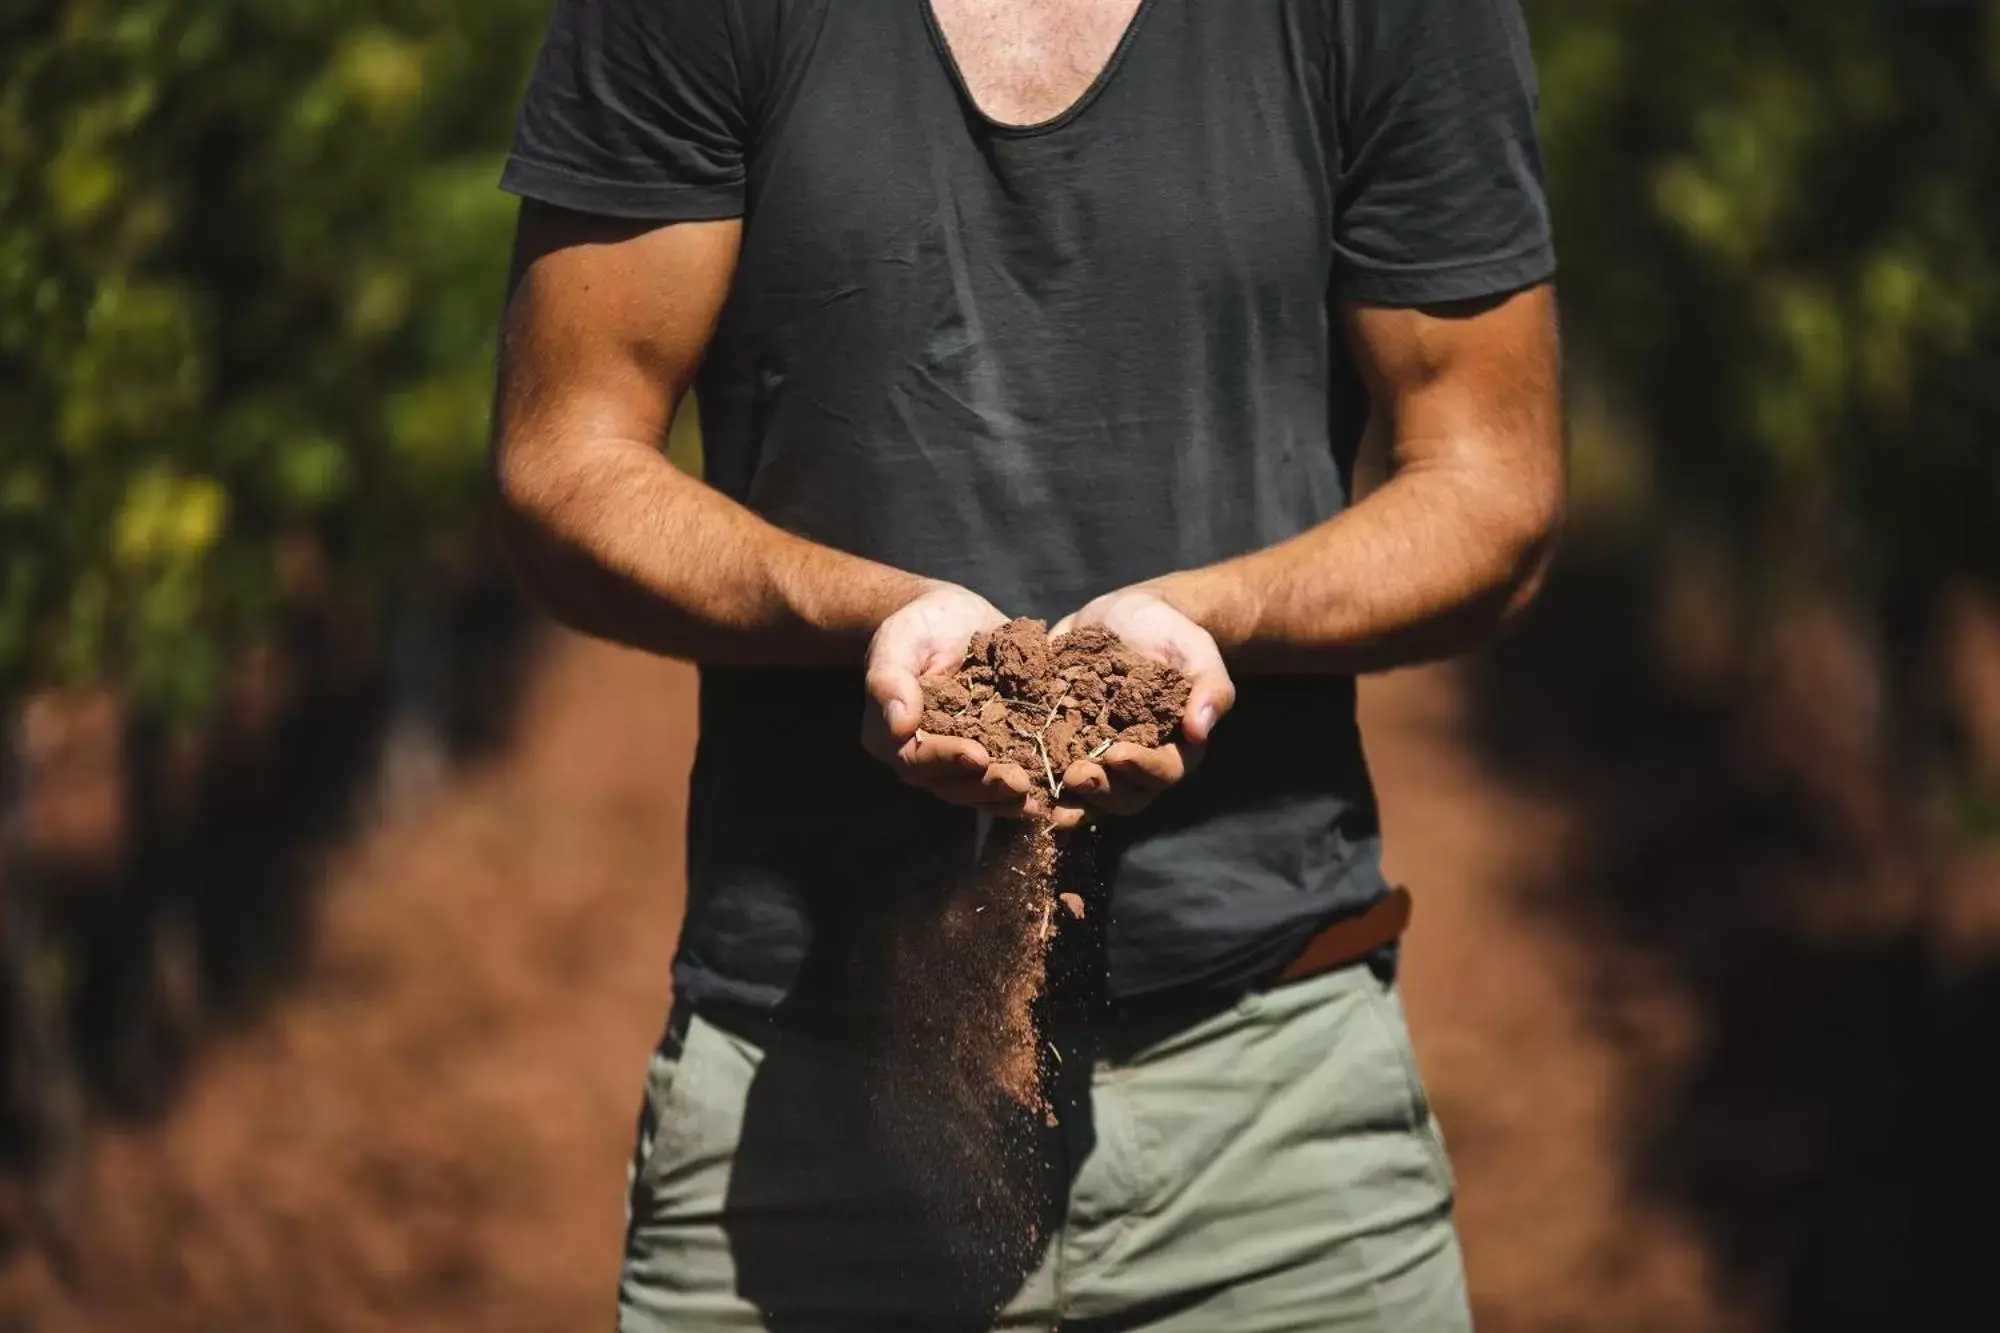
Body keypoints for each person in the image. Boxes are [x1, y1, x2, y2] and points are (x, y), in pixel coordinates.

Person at [491, 0, 1562, 1327]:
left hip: (1270, 1111)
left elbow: (1491, 488)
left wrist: (1214, 619)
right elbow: (566, 461)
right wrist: (863, 614)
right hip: (811, 1087)